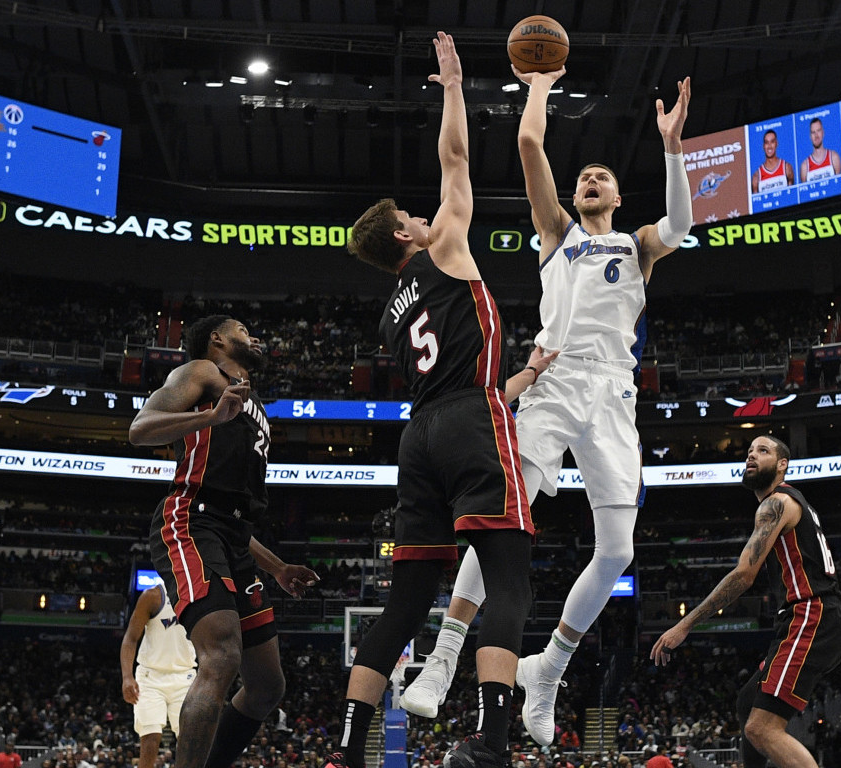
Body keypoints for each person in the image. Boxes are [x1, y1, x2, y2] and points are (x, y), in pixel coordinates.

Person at [402, 63, 693, 747]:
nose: (592, 180)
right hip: (555, 380)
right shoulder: (559, 234)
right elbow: (532, 147)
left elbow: (680, 221)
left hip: (615, 396)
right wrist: (538, 83)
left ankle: (549, 667)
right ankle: (445, 654)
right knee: (506, 516)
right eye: (584, 176)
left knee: (618, 551)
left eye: (603, 177)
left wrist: (672, 145)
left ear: (618, 195)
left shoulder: (637, 246)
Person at [332, 32, 555, 768]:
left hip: (422, 435)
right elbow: (454, 162)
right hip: (468, 420)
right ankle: (491, 743)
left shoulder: (389, 308)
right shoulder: (442, 247)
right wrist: (455, 87)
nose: (428, 218)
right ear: (404, 232)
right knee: (508, 577)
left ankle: (347, 749)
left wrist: (524, 374)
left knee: (404, 602)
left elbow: (461, 381)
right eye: (415, 219)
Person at [129, 315, 320, 768]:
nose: (253, 337)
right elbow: (139, 428)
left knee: (267, 686)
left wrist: (276, 568)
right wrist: (210, 416)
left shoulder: (254, 404)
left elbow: (235, 515)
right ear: (217, 339)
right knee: (222, 655)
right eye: (241, 331)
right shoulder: (201, 373)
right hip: (190, 521)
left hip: (232, 536)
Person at [650, 435, 841, 768]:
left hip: (812, 615)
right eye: (749, 452)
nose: (751, 456)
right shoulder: (789, 503)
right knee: (748, 703)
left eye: (763, 451)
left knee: (761, 728)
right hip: (810, 618)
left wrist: (684, 624)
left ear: (782, 464)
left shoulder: (777, 503)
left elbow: (744, 575)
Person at [121, 584, 198, 768]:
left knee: (190, 744)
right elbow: (131, 638)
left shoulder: (199, 595)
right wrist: (127, 677)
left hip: (185, 676)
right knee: (150, 741)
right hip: (150, 677)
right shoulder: (153, 596)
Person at [797, 118, 841, 183]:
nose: (816, 135)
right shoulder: (805, 166)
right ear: (810, 136)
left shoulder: (834, 157)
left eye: (818, 131)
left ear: (823, 133)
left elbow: (839, 186)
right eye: (813, 132)